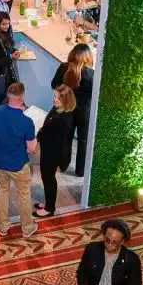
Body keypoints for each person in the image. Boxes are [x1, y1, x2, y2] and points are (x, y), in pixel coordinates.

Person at [0, 82, 37, 238]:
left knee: (2, 192)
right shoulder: (27, 122)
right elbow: (31, 148)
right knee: (24, 194)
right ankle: (28, 228)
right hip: (19, 165)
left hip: (0, 162)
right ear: (22, 98)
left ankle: (3, 226)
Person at [76, 218, 143, 285]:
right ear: (104, 236)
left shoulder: (131, 259)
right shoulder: (92, 249)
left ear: (122, 241)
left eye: (114, 242)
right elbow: (81, 274)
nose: (109, 244)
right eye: (107, 240)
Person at [34, 84, 76, 218]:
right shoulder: (58, 109)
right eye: (55, 96)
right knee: (46, 177)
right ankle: (48, 202)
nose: (55, 100)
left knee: (49, 178)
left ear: (66, 100)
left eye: (58, 98)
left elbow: (52, 135)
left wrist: (39, 133)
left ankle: (49, 208)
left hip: (53, 153)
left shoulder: (63, 118)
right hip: (48, 150)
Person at [53, 43, 94, 176]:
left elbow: (54, 84)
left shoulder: (64, 67)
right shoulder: (92, 74)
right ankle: (80, 171)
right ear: (88, 57)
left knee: (66, 137)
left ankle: (63, 165)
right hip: (85, 111)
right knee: (83, 140)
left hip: (67, 108)